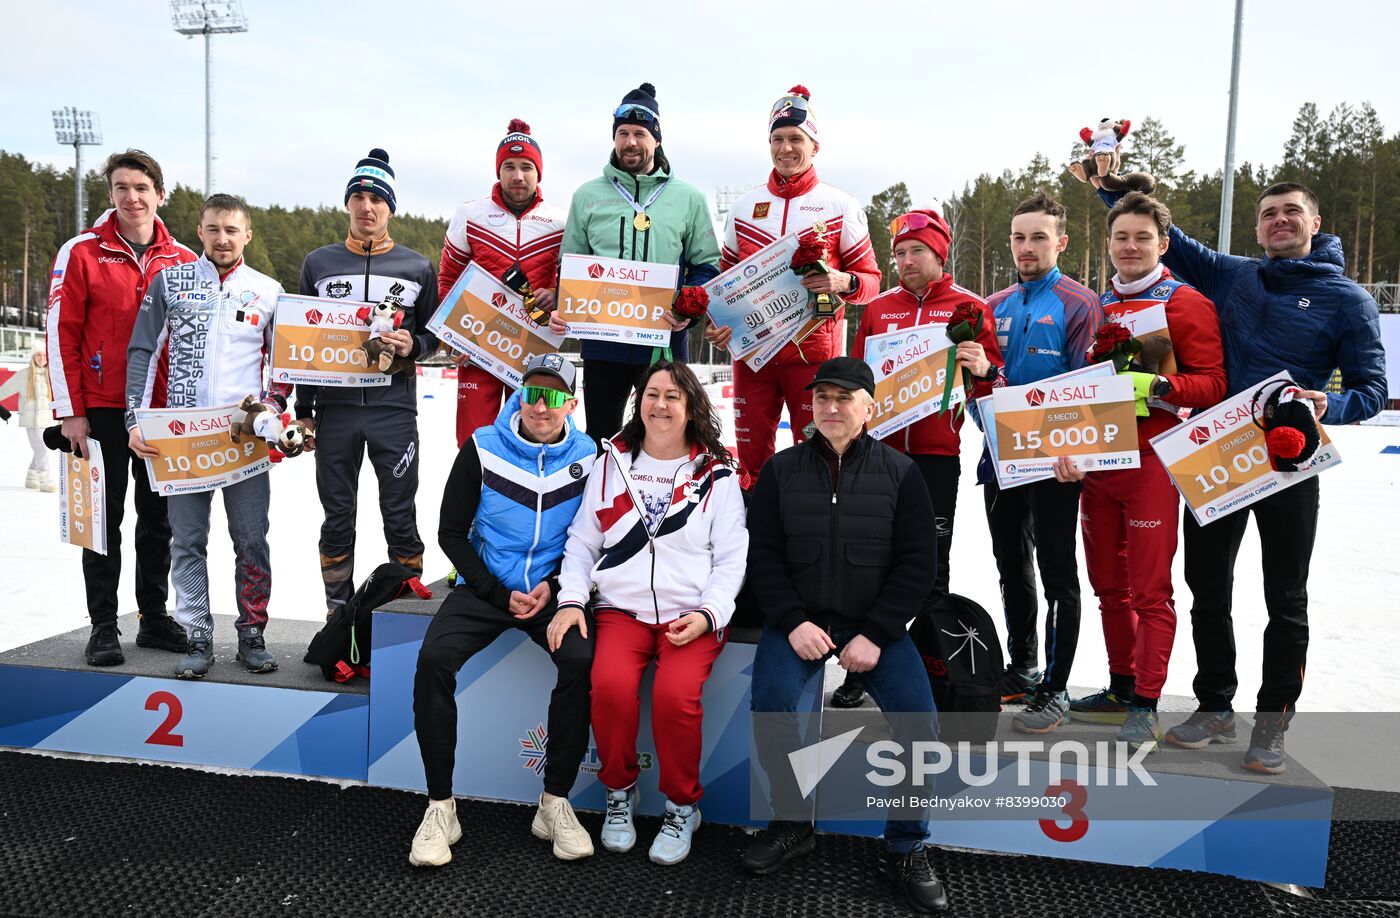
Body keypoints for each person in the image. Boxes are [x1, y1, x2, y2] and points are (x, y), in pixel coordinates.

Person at [1097, 181, 1386, 771]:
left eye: (1291, 212)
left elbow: (1373, 390)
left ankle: (1273, 720)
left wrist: (1331, 405)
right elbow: (1155, 235)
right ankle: (1214, 705)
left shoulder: (1348, 298)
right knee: (1208, 584)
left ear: (1315, 221)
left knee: (1285, 594)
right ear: (1256, 229)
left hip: (1287, 457)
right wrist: (1114, 184)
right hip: (1215, 454)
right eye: (1269, 214)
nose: (1280, 221)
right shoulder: (1234, 275)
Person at [744, 356, 949, 914]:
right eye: (822, 399)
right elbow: (762, 558)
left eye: (844, 399)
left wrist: (878, 633)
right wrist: (791, 620)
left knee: (919, 726)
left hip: (872, 628)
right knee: (772, 707)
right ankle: (792, 823)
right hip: (801, 622)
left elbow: (918, 565)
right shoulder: (781, 472)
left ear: (868, 407)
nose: (831, 408)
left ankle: (905, 847)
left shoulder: (902, 473)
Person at [1050, 193, 1226, 750]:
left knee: (1150, 590)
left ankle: (1147, 703)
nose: (1130, 247)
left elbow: (1215, 383)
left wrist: (1158, 385)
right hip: (1099, 464)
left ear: (1163, 244)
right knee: (1107, 586)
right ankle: (1121, 687)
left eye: (1142, 238)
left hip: (1152, 465)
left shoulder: (1185, 301)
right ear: (1108, 245)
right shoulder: (1099, 305)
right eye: (1121, 237)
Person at [553, 360, 746, 866]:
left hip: (692, 613)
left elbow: (730, 558)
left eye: (673, 396)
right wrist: (572, 598)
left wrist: (709, 614)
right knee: (612, 688)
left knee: (674, 697)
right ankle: (620, 793)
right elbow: (581, 541)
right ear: (638, 402)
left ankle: (682, 806)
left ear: (692, 407)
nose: (660, 405)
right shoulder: (611, 461)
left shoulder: (717, 472)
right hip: (623, 608)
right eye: (651, 394)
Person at [410, 352, 597, 867]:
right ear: (519, 395)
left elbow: (594, 538)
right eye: (533, 393)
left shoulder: (589, 455)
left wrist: (556, 586)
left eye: (555, 395)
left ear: (572, 402)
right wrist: (494, 590)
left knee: (580, 661)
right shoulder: (483, 448)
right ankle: (440, 806)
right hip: (486, 589)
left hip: (553, 594)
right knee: (433, 662)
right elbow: (451, 532)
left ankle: (554, 802)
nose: (542, 405)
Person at [835, 208, 1002, 709]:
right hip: (877, 456)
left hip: (935, 456)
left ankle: (933, 668)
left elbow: (993, 382)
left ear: (939, 254)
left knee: (929, 566)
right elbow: (857, 379)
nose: (906, 261)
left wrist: (983, 368)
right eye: (901, 253)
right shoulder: (880, 308)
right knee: (867, 562)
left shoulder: (969, 307)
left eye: (917, 252)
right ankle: (859, 669)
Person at [124, 193, 292, 678]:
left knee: (251, 539)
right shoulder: (170, 281)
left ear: (248, 235)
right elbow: (142, 352)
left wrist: (271, 411)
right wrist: (135, 419)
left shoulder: (268, 290)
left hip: (242, 438)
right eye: (214, 229)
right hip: (183, 437)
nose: (222, 238)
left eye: (232, 230)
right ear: (200, 231)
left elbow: (279, 368)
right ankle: (198, 635)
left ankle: (251, 633)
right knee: (188, 541)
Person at [46, 149, 196, 666]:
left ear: (159, 194)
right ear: (110, 194)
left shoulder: (184, 261)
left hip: (162, 411)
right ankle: (104, 625)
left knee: (159, 519)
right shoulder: (83, 251)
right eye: (122, 188)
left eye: (142, 188)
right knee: (103, 519)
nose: (132, 197)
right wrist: (70, 410)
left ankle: (152, 617)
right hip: (102, 408)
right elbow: (60, 333)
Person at [706, 84, 882, 491]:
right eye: (777, 139)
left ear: (815, 145)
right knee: (752, 465)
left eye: (796, 139)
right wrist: (717, 327)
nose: (786, 148)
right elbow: (723, 289)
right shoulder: (745, 207)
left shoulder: (840, 205)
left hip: (813, 357)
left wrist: (843, 281)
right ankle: (755, 547)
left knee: (819, 459)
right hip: (753, 357)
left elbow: (871, 282)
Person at [295, 149, 440, 617]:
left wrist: (411, 346)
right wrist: (303, 410)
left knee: (400, 519)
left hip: (393, 413)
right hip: (335, 414)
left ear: (390, 207)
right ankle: (339, 618)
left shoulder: (417, 267)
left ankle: (401, 621)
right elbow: (303, 344)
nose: (366, 206)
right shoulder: (319, 262)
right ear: (347, 205)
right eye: (357, 196)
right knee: (337, 520)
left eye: (376, 197)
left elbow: (435, 338)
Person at [983, 192, 1103, 732]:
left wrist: (1074, 450)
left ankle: (1055, 688)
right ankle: (1023, 666)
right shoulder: (993, 305)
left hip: (1056, 462)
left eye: (1037, 236)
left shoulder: (1080, 303)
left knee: (1058, 572)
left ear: (1061, 241)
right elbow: (977, 384)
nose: (1026, 247)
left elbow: (1091, 386)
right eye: (1018, 237)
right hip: (999, 458)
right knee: (1012, 567)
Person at [554, 83, 720, 442]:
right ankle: (605, 498)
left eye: (640, 134)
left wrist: (688, 308)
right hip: (602, 339)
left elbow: (707, 265)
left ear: (656, 139)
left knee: (667, 433)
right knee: (602, 435)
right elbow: (569, 266)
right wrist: (562, 304)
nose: (631, 142)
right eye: (623, 133)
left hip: (662, 338)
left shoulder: (688, 198)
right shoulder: (587, 195)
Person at [439, 119, 566, 448]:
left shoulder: (560, 221)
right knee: (472, 440)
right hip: (478, 343)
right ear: (499, 171)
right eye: (509, 166)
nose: (518, 176)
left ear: (539, 174)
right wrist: (448, 337)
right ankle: (472, 496)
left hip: (531, 349)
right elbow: (448, 280)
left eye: (526, 167)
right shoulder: (470, 214)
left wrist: (555, 295)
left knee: (534, 437)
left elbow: (567, 284)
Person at [0, 344, 57, 491]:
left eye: (44, 355)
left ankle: (31, 476)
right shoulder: (23, 375)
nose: (41, 358)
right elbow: (4, 390)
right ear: (33, 357)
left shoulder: (52, 374)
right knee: (42, 448)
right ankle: (45, 478)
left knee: (42, 448)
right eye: (38, 355)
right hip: (31, 420)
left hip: (47, 420)